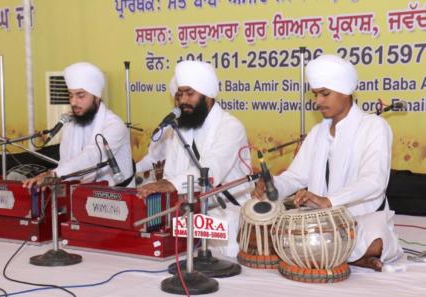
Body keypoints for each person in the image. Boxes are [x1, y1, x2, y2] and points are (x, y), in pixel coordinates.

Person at [252, 54, 402, 271]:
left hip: (359, 221)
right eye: (315, 94)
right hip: (319, 225)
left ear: (346, 91)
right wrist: (272, 187)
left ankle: (341, 254)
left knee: (375, 239)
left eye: (325, 93)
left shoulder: (374, 127)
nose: (318, 101)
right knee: (263, 231)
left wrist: (328, 201)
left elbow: (374, 181)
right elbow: (295, 177)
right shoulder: (318, 132)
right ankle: (348, 257)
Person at [137, 60, 253, 257]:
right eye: (180, 94)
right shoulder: (179, 129)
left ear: (207, 95)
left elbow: (211, 170)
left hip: (228, 214)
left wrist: (171, 184)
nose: (183, 100)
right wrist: (163, 189)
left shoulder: (230, 127)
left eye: (190, 93)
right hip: (188, 215)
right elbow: (170, 174)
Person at [23, 62, 133, 188]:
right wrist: (50, 182)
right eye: (70, 95)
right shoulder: (70, 125)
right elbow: (65, 164)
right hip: (81, 194)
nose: (74, 102)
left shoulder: (114, 125)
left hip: (119, 197)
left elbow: (93, 155)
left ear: (96, 97)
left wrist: (54, 174)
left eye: (81, 96)